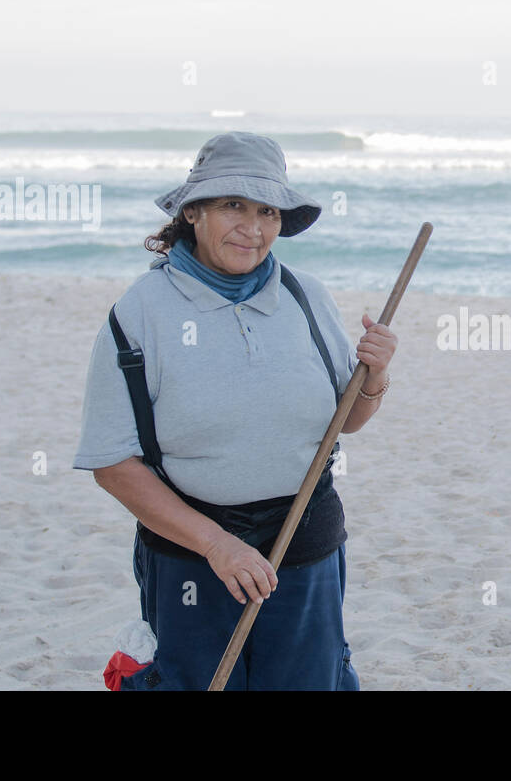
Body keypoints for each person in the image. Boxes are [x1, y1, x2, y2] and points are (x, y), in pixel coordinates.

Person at [72, 132, 396, 690]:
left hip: (306, 545)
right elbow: (112, 464)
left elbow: (343, 423)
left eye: (267, 210)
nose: (253, 227)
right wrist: (218, 545)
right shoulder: (139, 313)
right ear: (193, 212)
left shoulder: (308, 296)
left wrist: (376, 376)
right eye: (232, 205)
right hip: (190, 559)